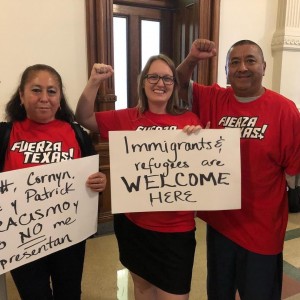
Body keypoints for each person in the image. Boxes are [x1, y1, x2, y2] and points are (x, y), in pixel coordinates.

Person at [176, 39, 300, 300]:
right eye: (234, 62)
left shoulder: (285, 110)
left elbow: (293, 173)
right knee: (219, 293)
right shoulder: (214, 98)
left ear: (264, 66)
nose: (242, 67)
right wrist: (192, 59)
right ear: (226, 71)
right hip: (221, 226)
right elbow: (179, 82)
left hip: (263, 229)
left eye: (250, 60)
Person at [75, 54, 204, 300]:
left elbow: (198, 169)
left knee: (175, 294)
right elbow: (83, 117)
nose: (160, 83)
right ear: (143, 82)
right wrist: (93, 82)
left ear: (175, 85)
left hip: (176, 229)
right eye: (153, 76)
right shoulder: (125, 118)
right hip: (134, 226)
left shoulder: (189, 120)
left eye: (167, 78)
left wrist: (197, 138)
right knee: (143, 290)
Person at [0, 64, 107, 300]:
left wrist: (100, 181)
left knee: (69, 293)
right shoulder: (5, 134)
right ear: (21, 95)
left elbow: (93, 178)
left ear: (60, 97)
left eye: (51, 91)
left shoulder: (77, 133)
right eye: (36, 90)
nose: (44, 98)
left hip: (67, 237)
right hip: (22, 239)